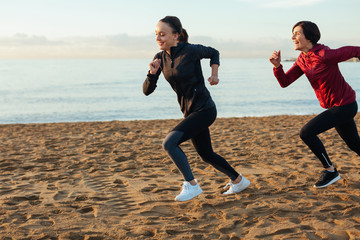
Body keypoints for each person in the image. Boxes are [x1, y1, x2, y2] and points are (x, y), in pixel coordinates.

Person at [143, 16, 250, 201]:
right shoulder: (159, 58)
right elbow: (147, 91)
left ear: (176, 35)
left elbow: (214, 52)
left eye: (162, 34)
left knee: (169, 143)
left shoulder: (190, 50)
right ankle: (238, 180)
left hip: (205, 109)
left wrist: (214, 74)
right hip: (189, 112)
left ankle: (191, 185)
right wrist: (152, 74)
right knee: (205, 153)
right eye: (156, 34)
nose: (158, 38)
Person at [269, 21, 360, 188]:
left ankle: (330, 171)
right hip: (336, 107)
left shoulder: (325, 54)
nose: (293, 37)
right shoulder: (303, 59)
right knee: (355, 145)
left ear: (309, 36)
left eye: (297, 33)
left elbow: (356, 51)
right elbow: (285, 82)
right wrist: (277, 67)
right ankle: (331, 171)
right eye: (293, 33)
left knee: (306, 133)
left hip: (345, 106)